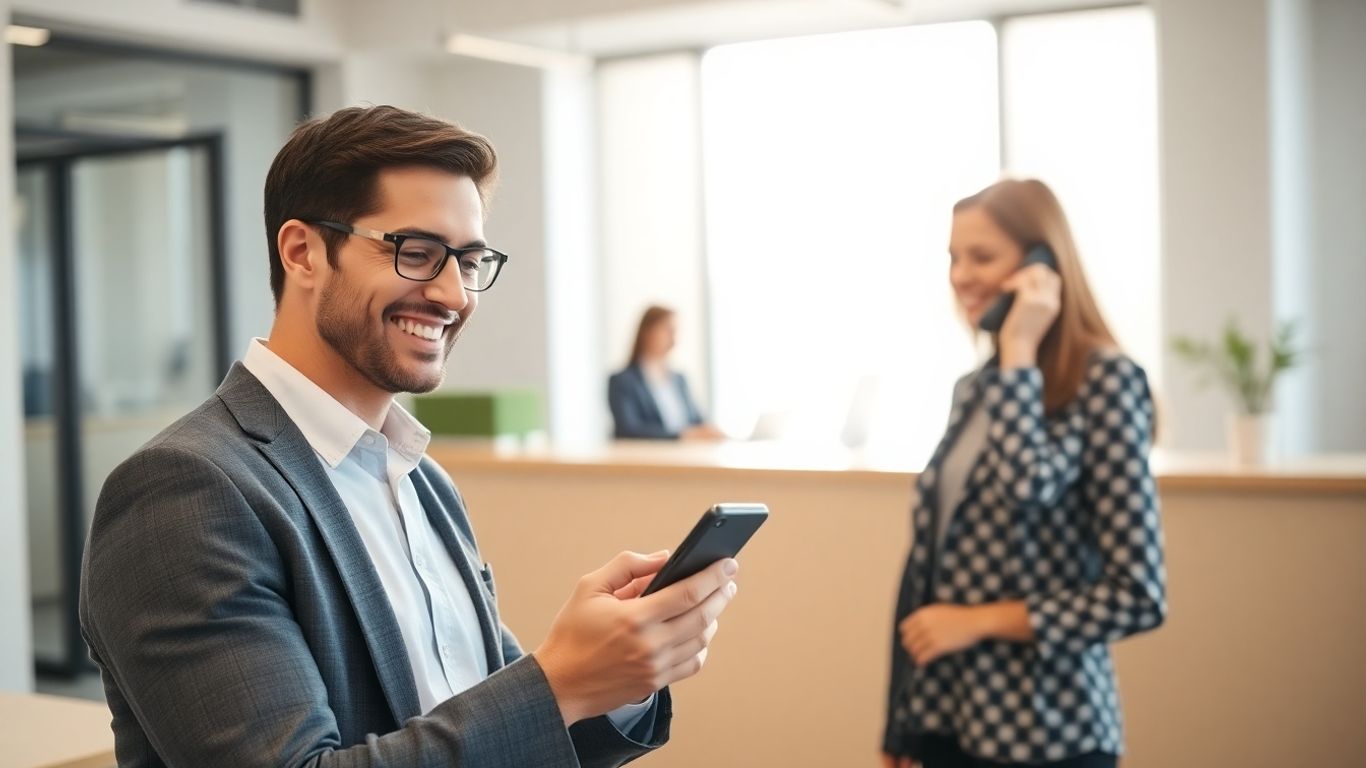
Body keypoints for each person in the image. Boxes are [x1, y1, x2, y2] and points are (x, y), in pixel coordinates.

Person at [79, 105, 741, 767]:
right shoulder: (184, 490)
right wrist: (561, 682)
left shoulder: (423, 480)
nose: (454, 295)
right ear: (303, 252)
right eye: (417, 253)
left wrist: (614, 674)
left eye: (470, 262)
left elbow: (503, 729)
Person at [881, 179, 1167, 768]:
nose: (961, 275)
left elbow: (1138, 595)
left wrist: (1019, 350)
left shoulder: (1106, 381)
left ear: (1042, 265)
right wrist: (899, 727)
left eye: (982, 257)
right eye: (953, 257)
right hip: (945, 718)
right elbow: (924, 570)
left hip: (1049, 732)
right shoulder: (974, 389)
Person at [608, 306, 724, 440]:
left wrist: (710, 431)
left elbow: (697, 420)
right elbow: (628, 430)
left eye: (675, 331)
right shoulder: (622, 381)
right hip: (649, 452)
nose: (674, 339)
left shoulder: (680, 379)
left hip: (688, 451)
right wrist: (681, 436)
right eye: (668, 330)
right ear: (647, 332)